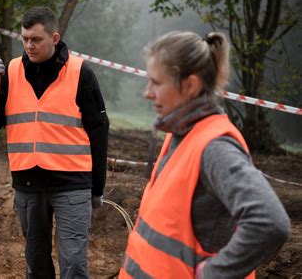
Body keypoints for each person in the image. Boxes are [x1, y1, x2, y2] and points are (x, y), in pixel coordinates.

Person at [119, 31, 291, 279]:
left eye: (156, 82)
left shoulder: (215, 146)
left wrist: (212, 274)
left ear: (189, 85)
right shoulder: (180, 133)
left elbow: (271, 223)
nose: (148, 92)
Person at [0, 6, 109, 278]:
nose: (28, 46)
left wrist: (97, 187)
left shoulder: (81, 73)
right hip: (28, 186)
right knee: (36, 264)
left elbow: (99, 130)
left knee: (73, 264)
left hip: (72, 185)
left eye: (36, 40)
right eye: (24, 39)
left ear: (55, 39)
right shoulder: (11, 73)